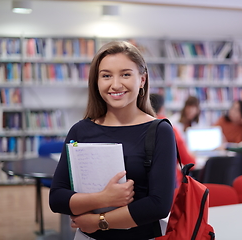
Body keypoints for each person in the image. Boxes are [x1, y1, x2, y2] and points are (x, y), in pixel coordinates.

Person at [49, 41, 176, 240]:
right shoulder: (80, 130)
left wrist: (99, 221)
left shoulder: (160, 131)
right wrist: (103, 198)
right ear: (96, 81)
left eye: (126, 74)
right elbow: (57, 198)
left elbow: (159, 205)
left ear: (142, 80)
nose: (115, 84)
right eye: (106, 75)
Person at [150, 93, 196, 187]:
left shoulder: (138, 126)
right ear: (162, 109)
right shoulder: (169, 128)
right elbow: (189, 161)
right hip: (170, 183)